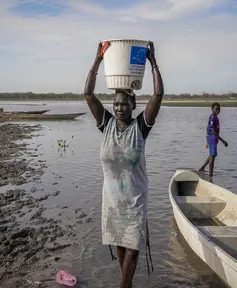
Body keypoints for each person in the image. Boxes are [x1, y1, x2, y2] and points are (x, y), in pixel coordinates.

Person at [84, 41, 164, 288]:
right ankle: (126, 284)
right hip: (112, 200)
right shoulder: (106, 124)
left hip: (134, 200)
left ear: (133, 106)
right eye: (116, 104)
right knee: (120, 243)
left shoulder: (140, 127)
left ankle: (123, 286)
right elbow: (88, 94)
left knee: (134, 247)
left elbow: (158, 95)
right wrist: (98, 60)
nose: (119, 108)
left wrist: (152, 62)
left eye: (124, 104)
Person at [198, 102, 228, 181]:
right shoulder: (213, 118)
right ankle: (210, 176)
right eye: (216, 109)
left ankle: (202, 168)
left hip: (212, 138)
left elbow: (207, 127)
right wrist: (223, 141)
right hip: (212, 138)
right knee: (212, 157)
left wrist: (207, 138)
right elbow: (213, 131)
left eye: (219, 109)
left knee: (212, 155)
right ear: (212, 109)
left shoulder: (214, 117)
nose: (218, 111)